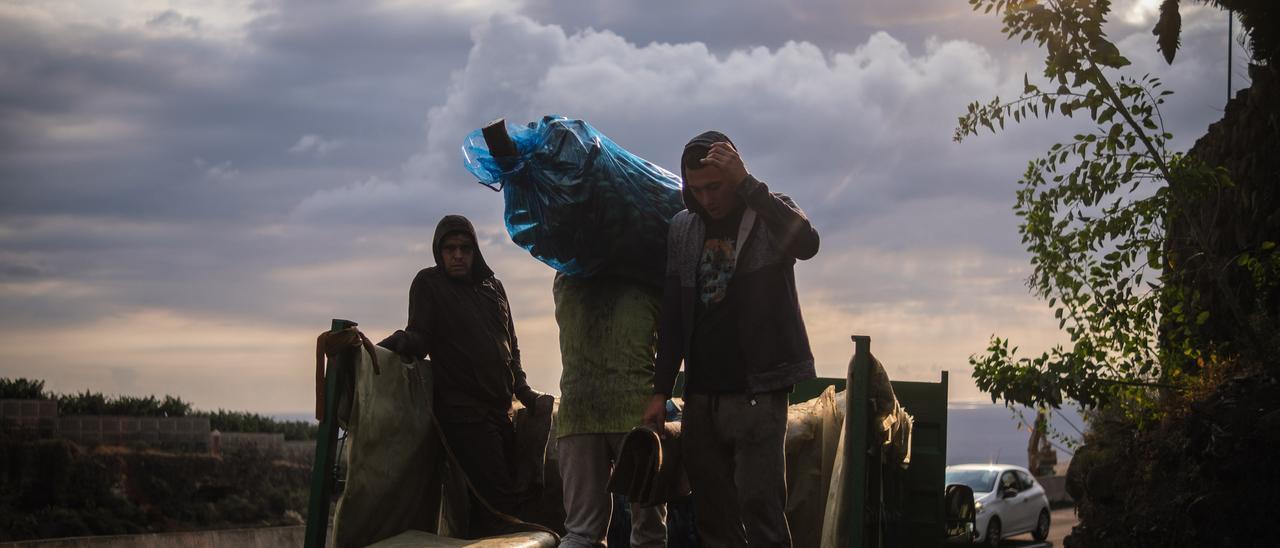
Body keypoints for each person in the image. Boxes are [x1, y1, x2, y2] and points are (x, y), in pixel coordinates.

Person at [643, 131, 820, 547]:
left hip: (757, 391)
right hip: (702, 396)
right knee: (713, 518)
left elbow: (808, 244)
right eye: (697, 189)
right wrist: (659, 391)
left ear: (735, 174)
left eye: (716, 186)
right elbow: (672, 316)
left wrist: (748, 184)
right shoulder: (682, 230)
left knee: (762, 512)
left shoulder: (769, 212)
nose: (707, 198)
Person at [378, 214, 543, 537]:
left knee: (503, 504)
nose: (457, 255)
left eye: (464, 248)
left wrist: (524, 393)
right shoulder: (429, 284)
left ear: (475, 251)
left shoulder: (493, 287)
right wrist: (384, 346)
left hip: (503, 414)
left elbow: (510, 347)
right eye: (450, 248)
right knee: (499, 506)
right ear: (439, 252)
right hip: (464, 416)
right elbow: (419, 338)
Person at [553, 272, 668, 547]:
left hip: (578, 412)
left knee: (581, 533)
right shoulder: (648, 277)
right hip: (637, 412)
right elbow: (670, 340)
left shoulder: (566, 278)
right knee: (649, 532)